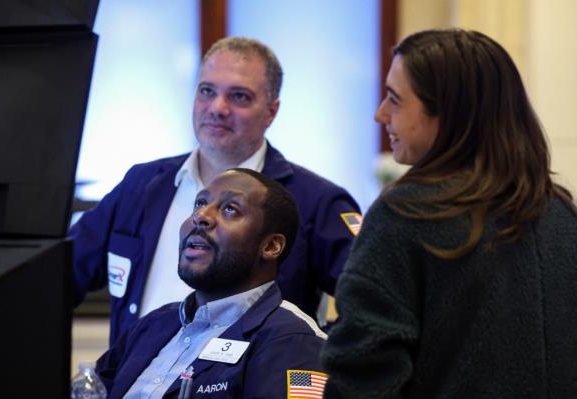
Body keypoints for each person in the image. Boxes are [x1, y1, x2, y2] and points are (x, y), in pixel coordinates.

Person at [321, 28, 577, 398]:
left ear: (448, 113)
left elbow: (361, 375)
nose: (380, 114)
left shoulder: (405, 215)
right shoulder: (562, 215)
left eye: (395, 99)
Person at [70, 37, 362, 344]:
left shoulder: (315, 201)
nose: (218, 108)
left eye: (239, 97)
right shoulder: (142, 185)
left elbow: (374, 303)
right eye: (207, 91)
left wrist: (316, 356)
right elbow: (58, 278)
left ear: (271, 112)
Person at [96, 168, 328, 399]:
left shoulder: (294, 341)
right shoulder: (152, 325)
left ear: (270, 247)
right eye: (199, 203)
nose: (201, 216)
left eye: (230, 209)